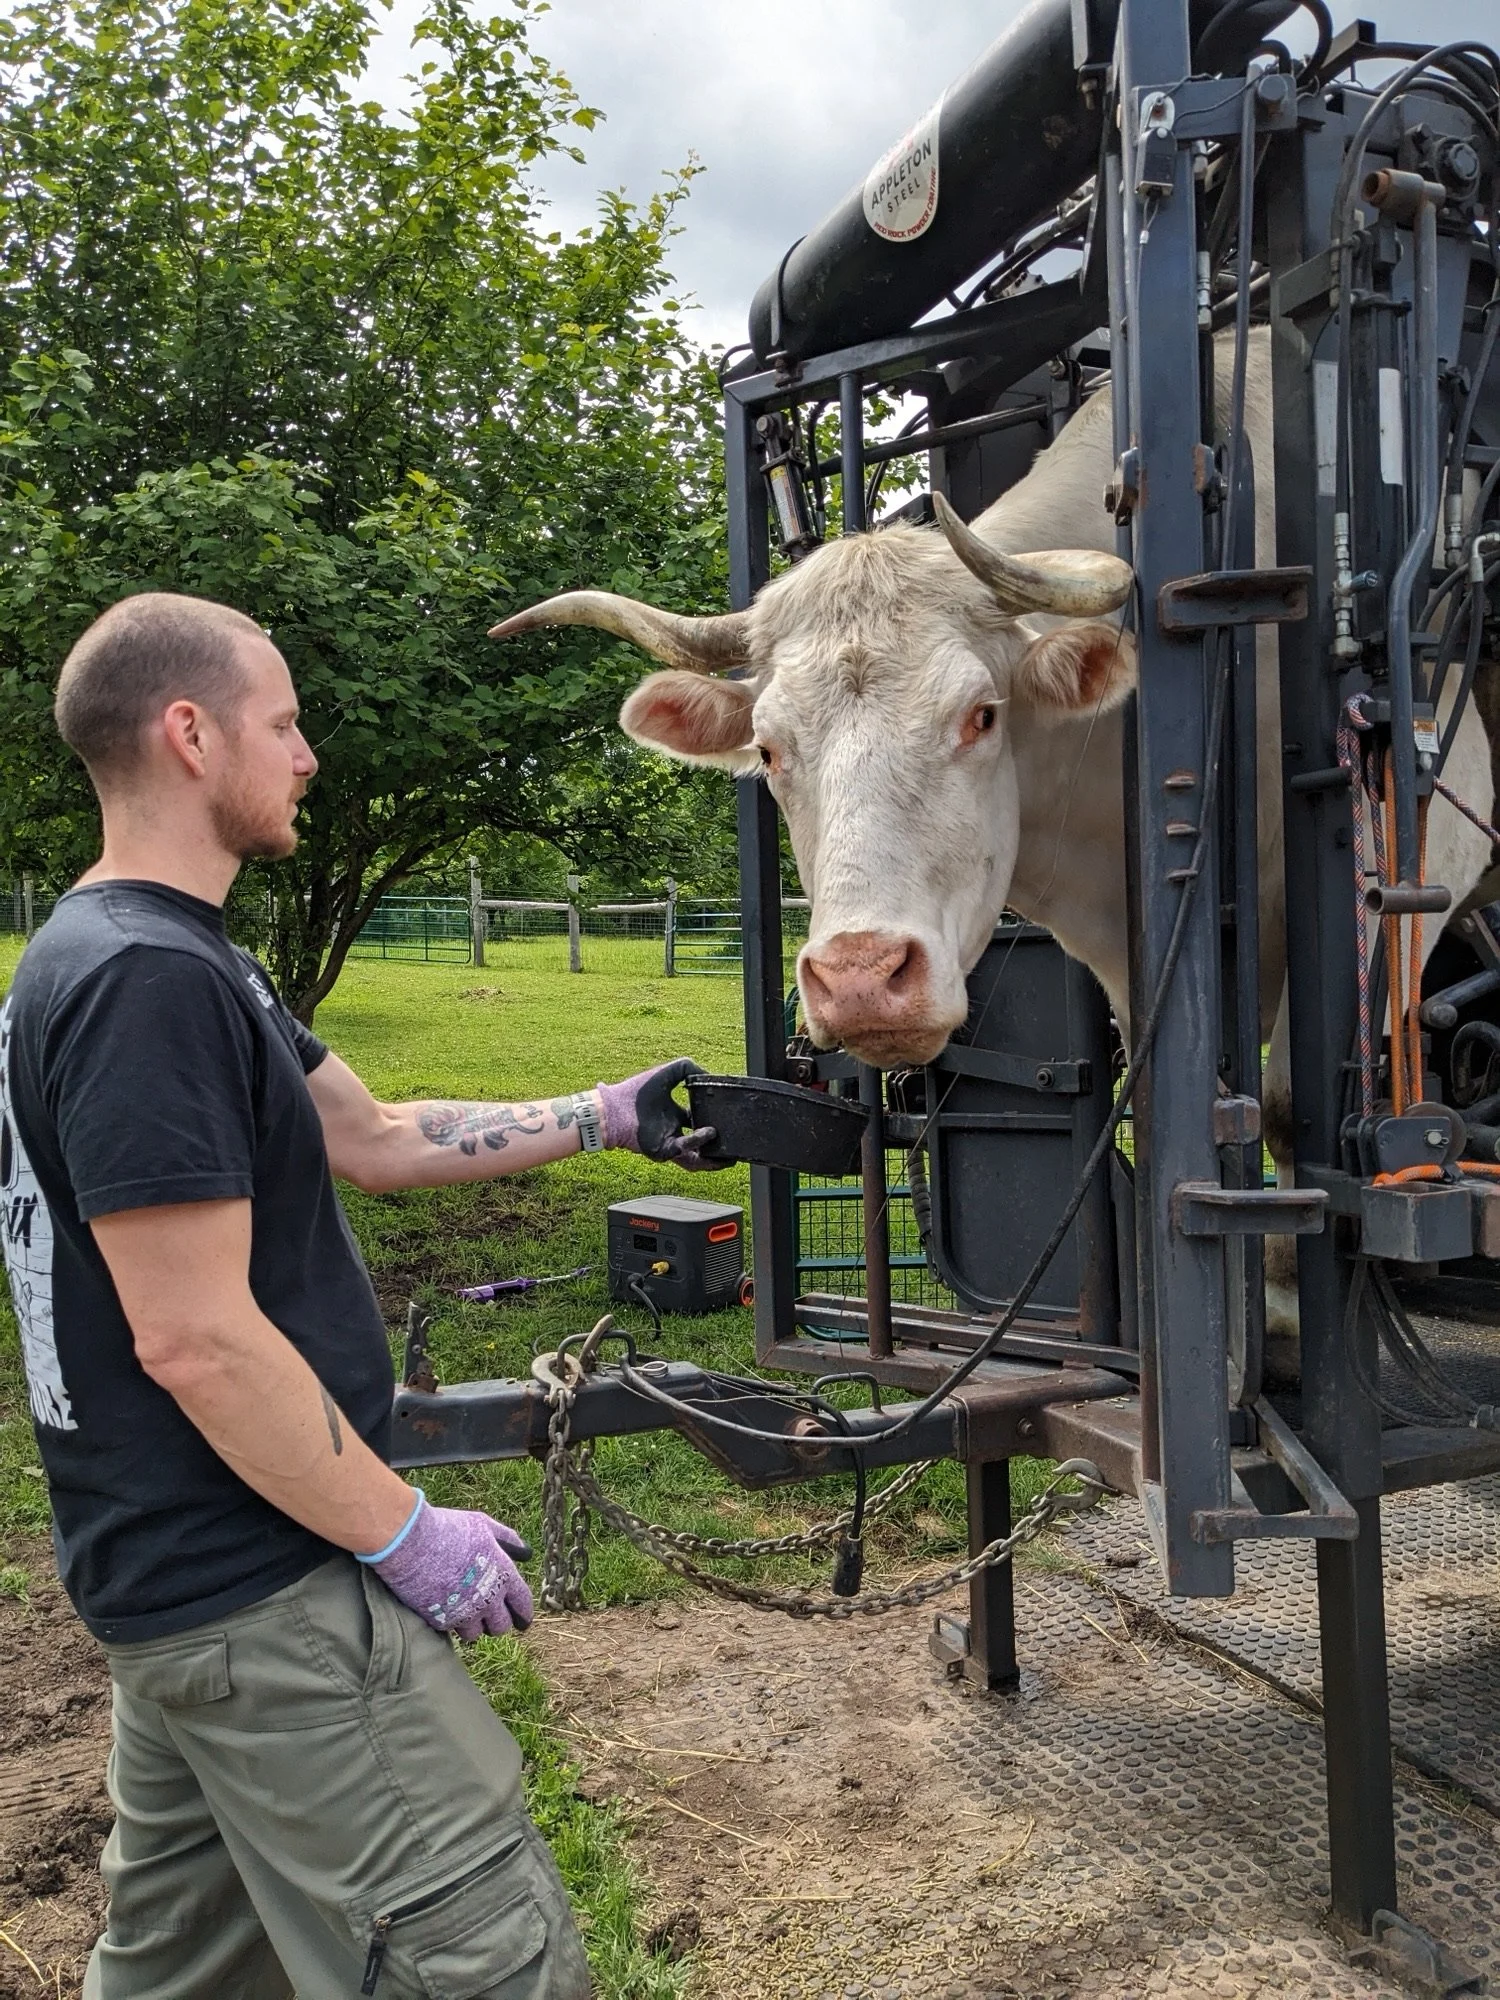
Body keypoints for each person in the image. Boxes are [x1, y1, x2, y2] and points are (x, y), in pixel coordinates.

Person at [0, 592, 722, 1999]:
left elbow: (376, 1136)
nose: (310, 753)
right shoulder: (146, 980)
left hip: (178, 1597)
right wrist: (404, 1532)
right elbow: (195, 1338)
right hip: (260, 1592)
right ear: (190, 733)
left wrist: (610, 1111)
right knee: (487, 1962)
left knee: (182, 1977)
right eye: (284, 722)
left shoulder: (158, 954)